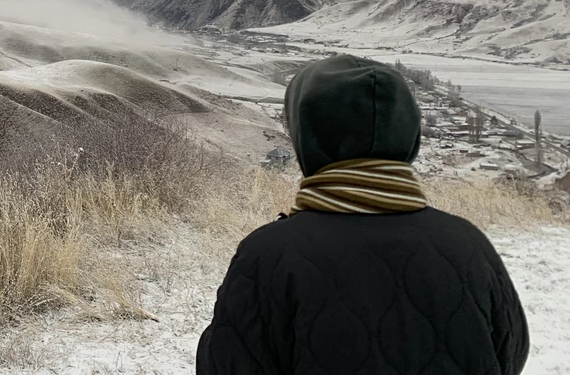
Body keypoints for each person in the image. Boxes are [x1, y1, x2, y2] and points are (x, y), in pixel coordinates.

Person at [196, 54, 529, 375]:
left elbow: (228, 362)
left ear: (308, 136)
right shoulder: (468, 242)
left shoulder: (268, 255)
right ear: (409, 133)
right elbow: (510, 354)